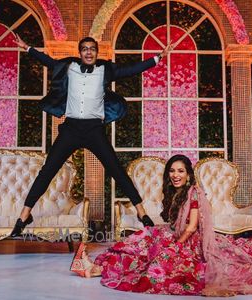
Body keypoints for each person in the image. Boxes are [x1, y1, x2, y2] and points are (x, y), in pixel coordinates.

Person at [71, 154, 252, 296]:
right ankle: (93, 267)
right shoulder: (174, 193)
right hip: (174, 235)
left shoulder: (193, 192)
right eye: (172, 171)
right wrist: (166, 237)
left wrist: (173, 246)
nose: (175, 175)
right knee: (143, 240)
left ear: (188, 173)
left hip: (191, 243)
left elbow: (191, 227)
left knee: (242, 255)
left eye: (180, 171)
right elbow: (174, 223)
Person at [10, 35, 172, 236]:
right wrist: (27, 47)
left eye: (92, 49)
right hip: (71, 129)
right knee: (47, 171)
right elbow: (48, 61)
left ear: (96, 52)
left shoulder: (105, 70)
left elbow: (131, 70)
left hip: (94, 129)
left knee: (116, 170)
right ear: (80, 53)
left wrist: (157, 58)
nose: (88, 52)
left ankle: (141, 212)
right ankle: (24, 216)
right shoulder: (69, 68)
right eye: (85, 48)